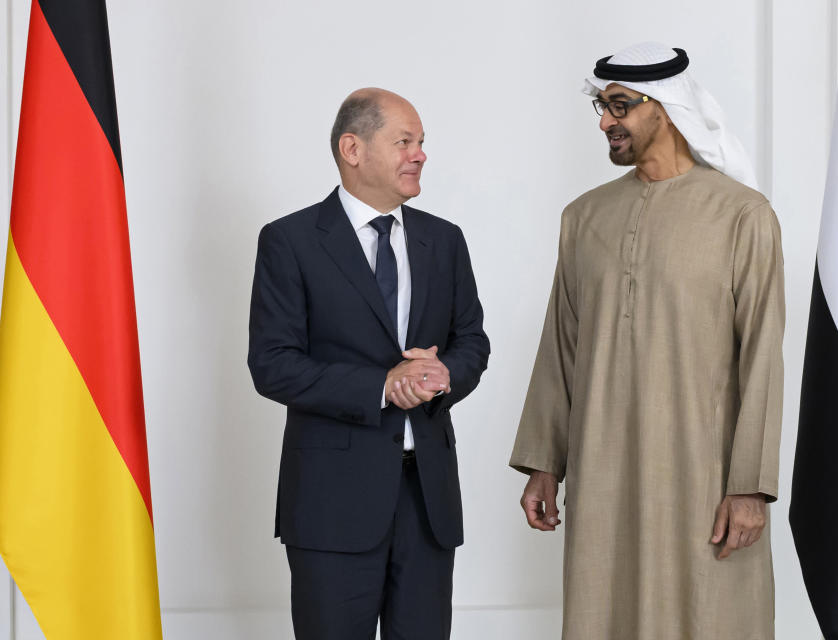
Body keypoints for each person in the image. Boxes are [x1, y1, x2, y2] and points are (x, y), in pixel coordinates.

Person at [509, 43, 784, 639]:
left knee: (712, 617)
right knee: (605, 610)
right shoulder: (584, 217)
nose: (607, 123)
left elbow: (763, 357)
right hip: (605, 468)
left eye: (620, 107)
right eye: (602, 108)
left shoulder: (743, 214)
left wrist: (750, 487)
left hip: (704, 477)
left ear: (666, 108)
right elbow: (562, 347)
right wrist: (543, 466)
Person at [248, 88, 490, 640]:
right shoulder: (290, 241)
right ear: (352, 149)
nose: (420, 154)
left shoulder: (444, 240)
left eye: (422, 142)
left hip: (428, 503)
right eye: (404, 141)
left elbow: (472, 340)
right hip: (332, 503)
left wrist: (446, 373)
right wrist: (381, 386)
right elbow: (272, 364)